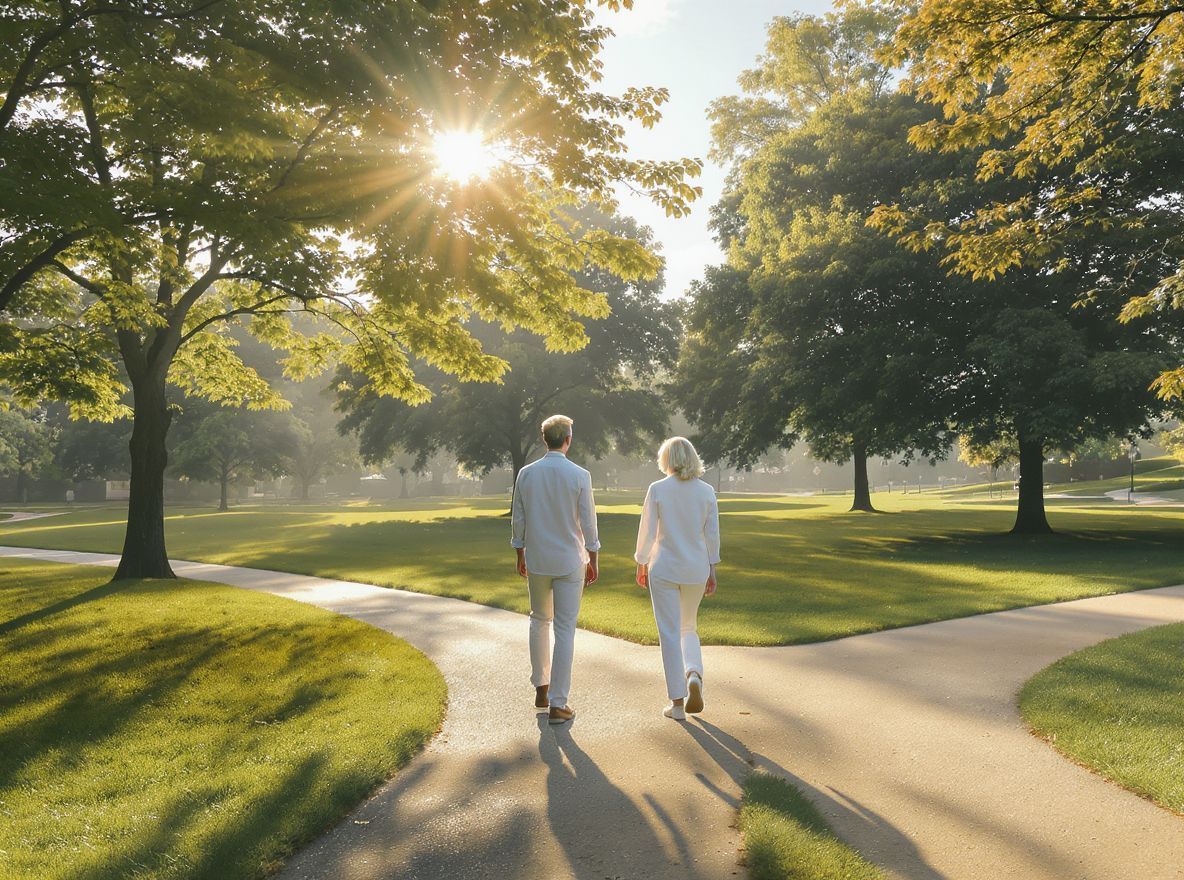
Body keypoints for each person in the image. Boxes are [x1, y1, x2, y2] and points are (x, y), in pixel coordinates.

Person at [511, 414, 600, 725]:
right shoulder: (579, 475)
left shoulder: (526, 473)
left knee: (539, 620)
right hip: (570, 560)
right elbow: (588, 521)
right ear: (568, 440)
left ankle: (541, 686)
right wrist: (594, 556)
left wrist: (520, 551)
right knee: (564, 630)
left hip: (537, 558)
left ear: (543, 438)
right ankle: (558, 703)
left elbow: (518, 517)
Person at [634, 437, 720, 721]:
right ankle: (694, 672)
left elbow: (647, 530)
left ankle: (677, 703)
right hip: (696, 567)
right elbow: (712, 535)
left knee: (669, 632)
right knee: (689, 627)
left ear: (666, 459)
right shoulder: (707, 491)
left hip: (665, 567)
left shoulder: (657, 489)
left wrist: (641, 562)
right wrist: (712, 569)